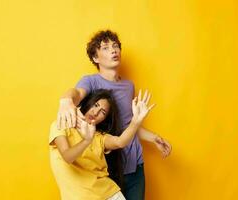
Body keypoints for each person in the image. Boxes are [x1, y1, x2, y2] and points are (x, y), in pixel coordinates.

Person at [57, 30, 172, 199]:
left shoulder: (128, 86)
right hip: (105, 167)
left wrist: (154, 138)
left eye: (115, 46)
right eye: (105, 47)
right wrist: (66, 100)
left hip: (135, 164)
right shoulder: (91, 81)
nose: (113, 50)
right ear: (95, 58)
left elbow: (129, 124)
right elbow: (77, 94)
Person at [49, 89, 154, 200]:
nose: (95, 112)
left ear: (104, 119)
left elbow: (120, 142)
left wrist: (136, 121)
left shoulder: (99, 137)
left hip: (109, 194)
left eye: (102, 112)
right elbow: (67, 157)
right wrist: (86, 140)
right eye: (95, 105)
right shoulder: (61, 124)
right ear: (88, 103)